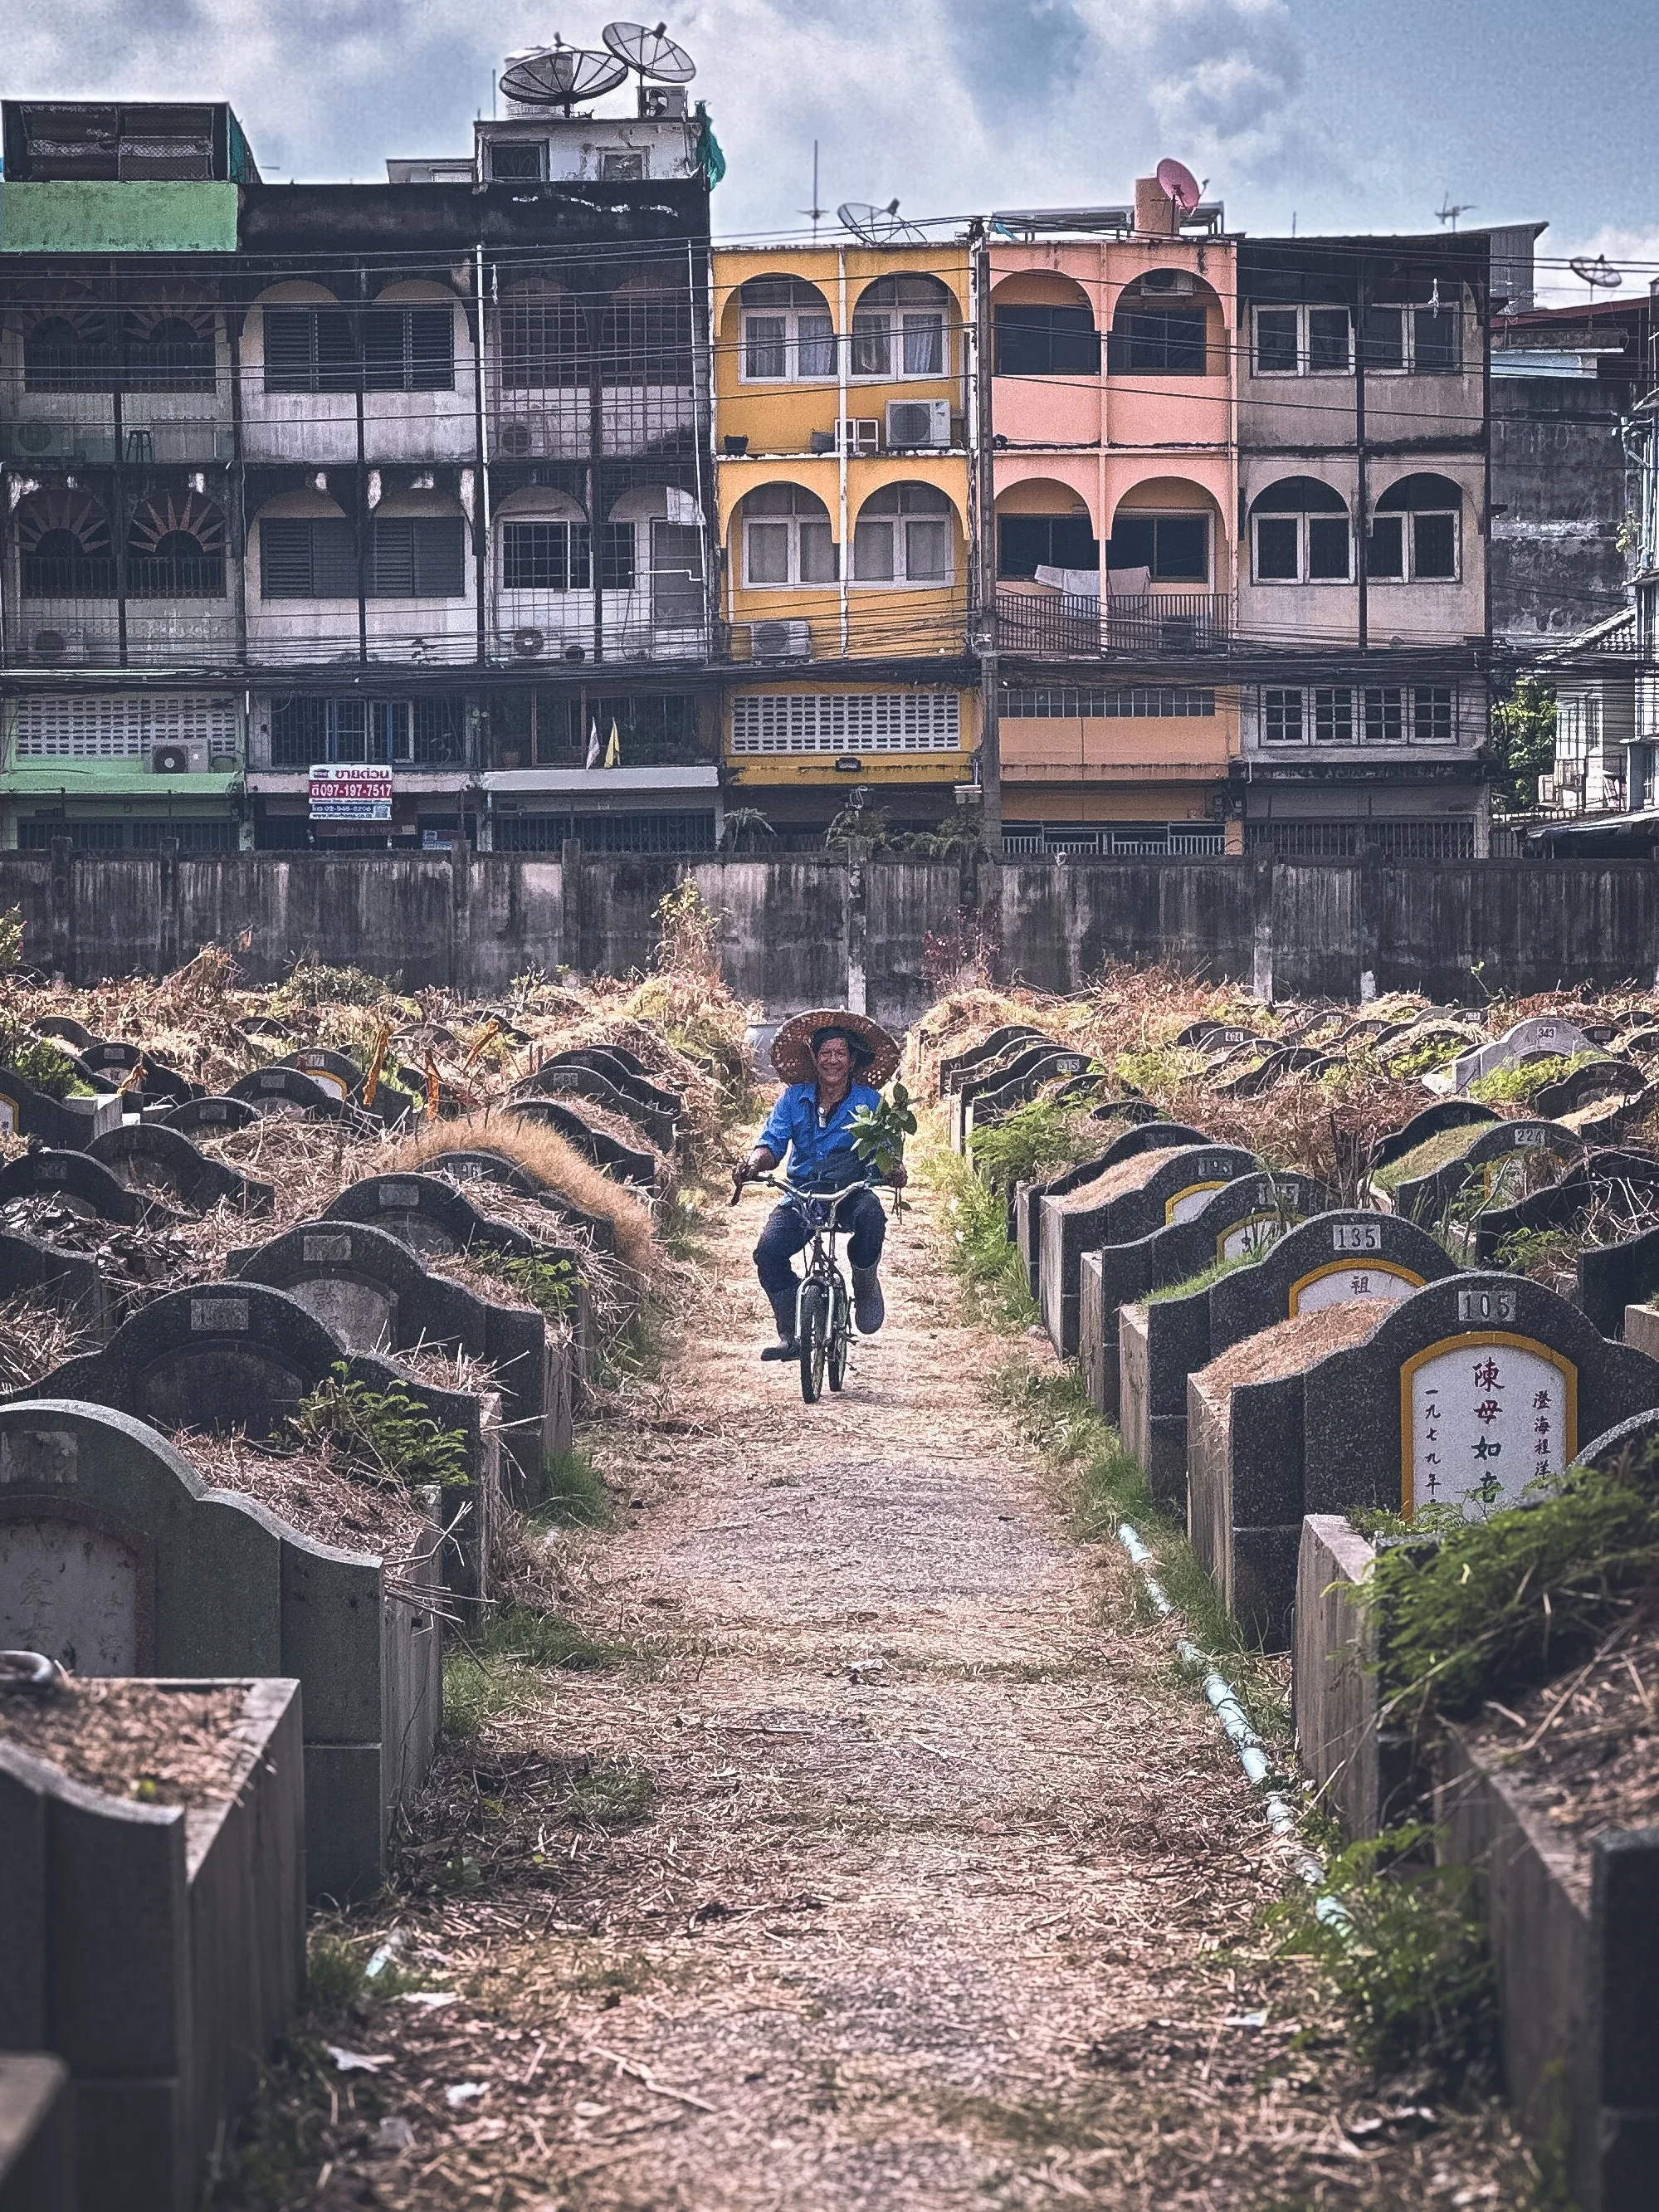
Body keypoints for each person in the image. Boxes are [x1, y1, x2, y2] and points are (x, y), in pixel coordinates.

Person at [731, 1008, 907, 1359]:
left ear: (852, 1059)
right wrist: (752, 1165)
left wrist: (892, 1170)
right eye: (825, 1053)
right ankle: (792, 1332)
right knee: (768, 1253)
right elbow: (772, 1144)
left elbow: (884, 1150)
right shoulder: (793, 1098)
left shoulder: (869, 1102)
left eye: (840, 1053)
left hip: (849, 1193)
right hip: (803, 1194)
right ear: (814, 1057)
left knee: (872, 1216)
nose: (832, 1061)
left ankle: (865, 1280)